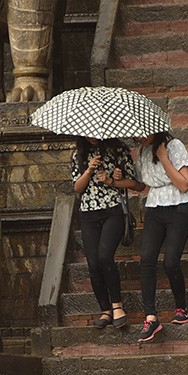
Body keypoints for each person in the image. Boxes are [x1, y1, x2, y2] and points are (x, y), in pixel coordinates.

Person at [118, 130, 188, 343]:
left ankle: (182, 308)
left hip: (179, 206)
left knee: (171, 262)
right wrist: (117, 180)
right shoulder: (143, 151)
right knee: (147, 261)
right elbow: (141, 185)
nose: (139, 137)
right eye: (137, 134)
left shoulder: (175, 146)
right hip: (154, 208)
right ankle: (151, 317)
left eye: (143, 133)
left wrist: (163, 158)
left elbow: (183, 184)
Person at [72, 137, 135, 329]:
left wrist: (116, 179)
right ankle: (105, 309)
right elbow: (77, 187)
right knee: (93, 263)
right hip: (88, 212)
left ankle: (117, 306)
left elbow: (135, 183)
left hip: (112, 209)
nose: (92, 137)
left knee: (105, 256)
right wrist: (89, 169)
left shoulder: (119, 152)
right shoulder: (78, 156)